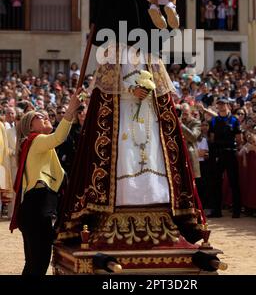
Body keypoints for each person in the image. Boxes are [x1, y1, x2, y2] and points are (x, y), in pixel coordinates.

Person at [57, 44, 207, 247]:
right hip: (123, 115)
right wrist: (130, 90)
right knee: (125, 156)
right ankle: (121, 202)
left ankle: (158, 203)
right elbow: (105, 87)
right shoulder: (113, 51)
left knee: (154, 154)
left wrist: (147, 91)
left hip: (148, 115)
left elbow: (162, 90)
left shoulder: (150, 54)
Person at [9, 89, 82, 275]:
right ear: (30, 127)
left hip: (35, 208)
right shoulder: (37, 139)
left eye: (46, 115)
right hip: (37, 208)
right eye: (40, 117)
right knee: (38, 265)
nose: (46, 117)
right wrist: (71, 109)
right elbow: (59, 137)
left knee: (34, 265)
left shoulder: (34, 142)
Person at [209, 97, 242, 218]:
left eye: (223, 104)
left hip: (230, 153)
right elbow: (212, 137)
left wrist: (235, 148)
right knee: (216, 182)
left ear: (228, 105)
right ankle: (216, 211)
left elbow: (239, 138)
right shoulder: (213, 120)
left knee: (234, 182)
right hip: (218, 153)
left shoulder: (234, 120)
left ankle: (236, 210)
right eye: (219, 104)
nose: (221, 106)